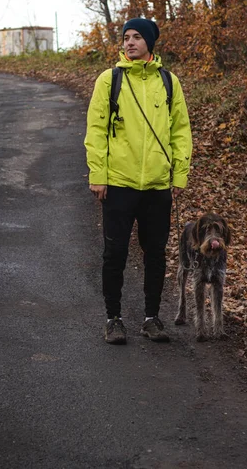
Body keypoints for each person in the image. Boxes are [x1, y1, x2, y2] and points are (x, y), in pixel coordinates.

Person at [84, 18, 192, 344]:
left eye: (136, 37)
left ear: (150, 42)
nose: (129, 42)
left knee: (155, 254)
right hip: (118, 183)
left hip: (157, 186)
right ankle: (113, 318)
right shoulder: (109, 79)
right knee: (114, 253)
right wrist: (98, 175)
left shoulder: (169, 82)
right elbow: (96, 131)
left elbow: (180, 132)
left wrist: (179, 175)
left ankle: (151, 318)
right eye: (126, 37)